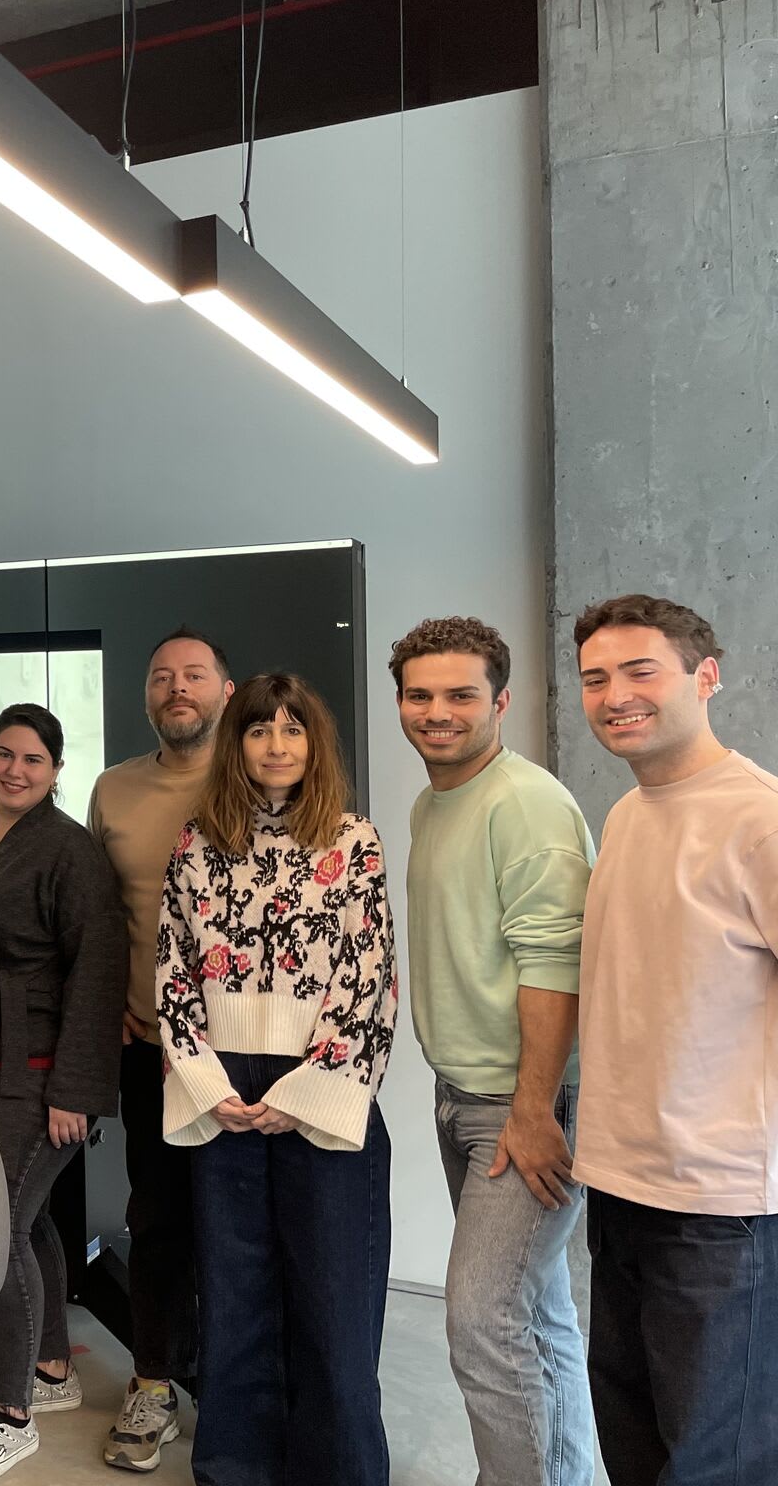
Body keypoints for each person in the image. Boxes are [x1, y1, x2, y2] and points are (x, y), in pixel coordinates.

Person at [157, 671, 396, 1486]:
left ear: (314, 743)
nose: (277, 745)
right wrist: (203, 1082)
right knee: (235, 1300)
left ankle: (338, 1472)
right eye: (261, 730)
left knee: (334, 1302)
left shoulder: (352, 840)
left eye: (293, 730)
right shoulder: (199, 840)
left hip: (320, 1089)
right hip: (222, 1092)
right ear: (239, 741)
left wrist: (302, 1095)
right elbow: (172, 970)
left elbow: (370, 976)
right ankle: (236, 1469)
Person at [570, 594, 778, 1485]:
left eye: (640, 670)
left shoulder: (758, 818)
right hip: (620, 1182)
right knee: (635, 1442)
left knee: (713, 1461)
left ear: (707, 675)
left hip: (721, 1207)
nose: (615, 694)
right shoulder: (627, 814)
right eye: (595, 678)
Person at [391, 617, 594, 1486]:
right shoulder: (434, 800)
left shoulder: (528, 804)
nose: (438, 712)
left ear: (501, 701)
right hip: (465, 1095)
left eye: (461, 695)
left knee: (480, 1320)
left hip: (523, 1106)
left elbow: (557, 962)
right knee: (534, 1314)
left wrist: (533, 1110)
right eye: (420, 694)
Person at [0, 703, 128, 1483]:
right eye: (4, 754)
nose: (16, 769)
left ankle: (5, 1413)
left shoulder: (70, 851)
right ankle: (50, 1369)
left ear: (55, 772)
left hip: (39, 1066)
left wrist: (74, 1087)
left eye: (33, 760)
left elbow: (98, 971)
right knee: (28, 1215)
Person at [85, 627, 233, 1471]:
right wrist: (111, 1009)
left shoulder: (262, 773)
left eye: (194, 676)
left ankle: (244, 1389)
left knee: (242, 1225)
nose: (177, 689)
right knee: (161, 1219)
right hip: (150, 1049)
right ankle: (153, 1384)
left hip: (249, 1057)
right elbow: (102, 916)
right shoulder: (114, 788)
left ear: (225, 687)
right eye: (161, 678)